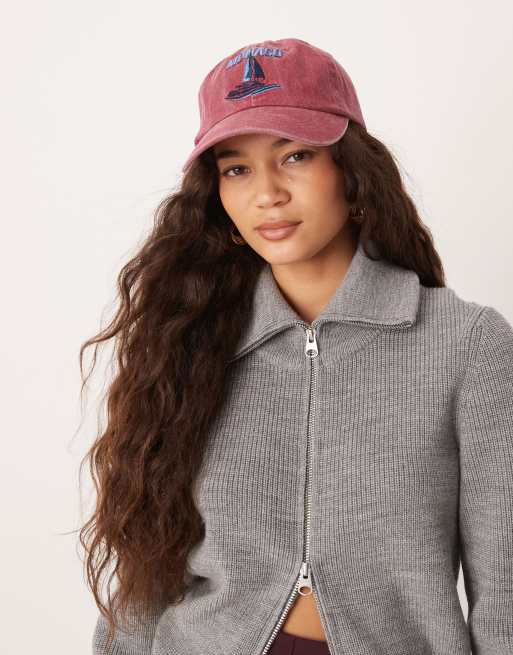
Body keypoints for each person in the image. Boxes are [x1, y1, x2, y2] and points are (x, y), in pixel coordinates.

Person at [81, 38, 513, 655]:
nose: (267, 193)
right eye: (236, 168)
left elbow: (504, 591)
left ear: (352, 171)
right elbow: (145, 576)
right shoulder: (187, 343)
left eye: (296, 156)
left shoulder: (467, 345)